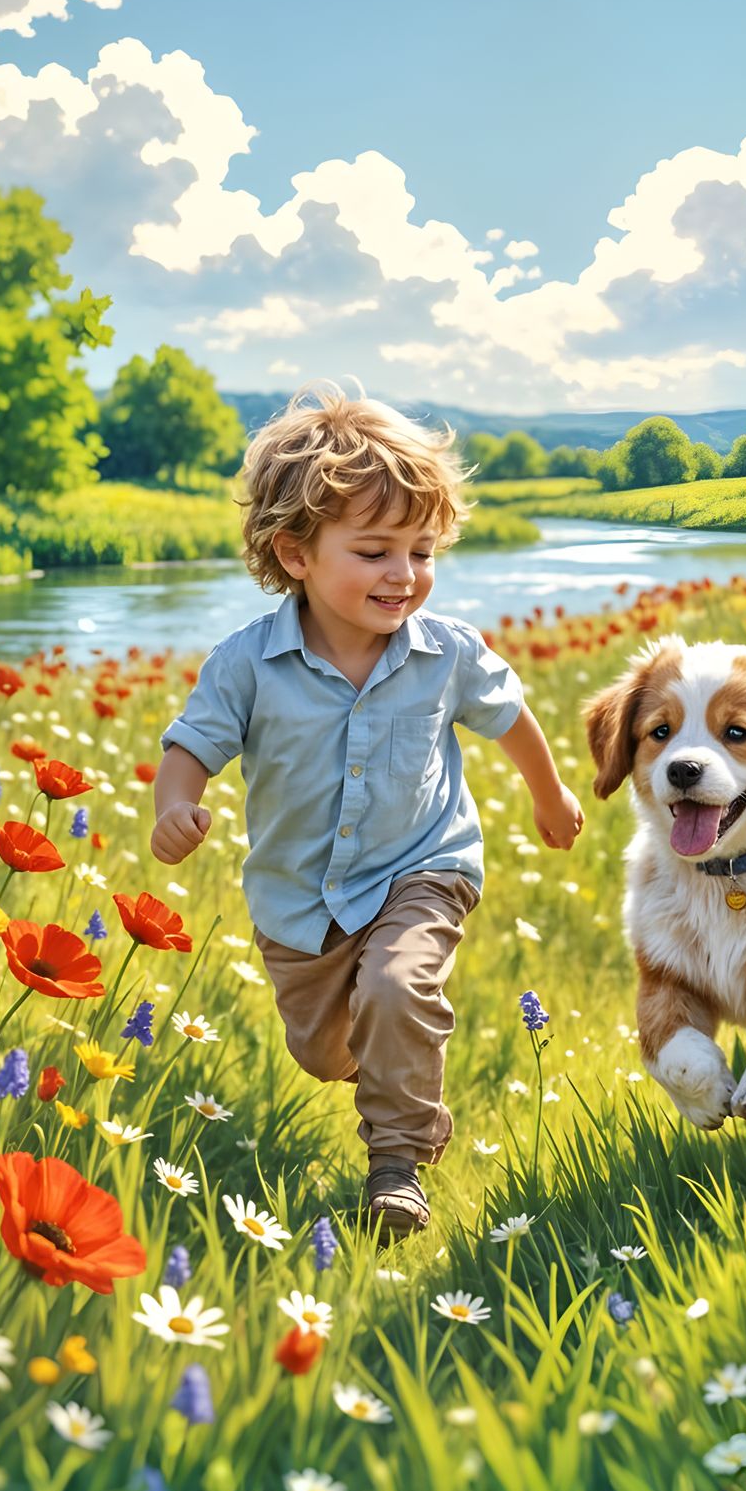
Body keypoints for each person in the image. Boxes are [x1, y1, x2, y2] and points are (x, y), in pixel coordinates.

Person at [150, 382, 582, 1236]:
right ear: (298, 554)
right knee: (323, 1052)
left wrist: (550, 791)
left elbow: (510, 714)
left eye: (423, 552)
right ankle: (404, 1086)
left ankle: (397, 1165)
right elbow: (190, 746)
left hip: (423, 866)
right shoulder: (246, 665)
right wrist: (177, 806)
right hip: (299, 899)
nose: (405, 576)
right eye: (377, 551)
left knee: (397, 986)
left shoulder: (448, 652)